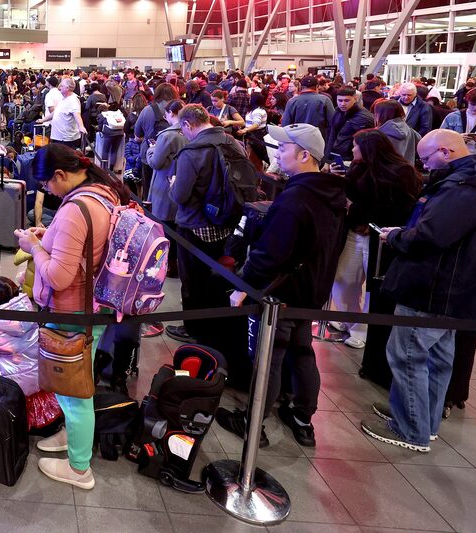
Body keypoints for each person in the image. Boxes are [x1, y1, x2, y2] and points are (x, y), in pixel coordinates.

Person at [219, 123, 348, 448]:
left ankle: (253, 422)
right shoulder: (330, 192)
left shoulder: (296, 199)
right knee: (302, 352)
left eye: (285, 148)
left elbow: (270, 254)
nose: (278, 153)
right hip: (312, 289)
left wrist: (243, 286)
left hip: (283, 292)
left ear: (304, 155)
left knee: (270, 358)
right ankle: (303, 418)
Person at [361, 129, 476, 452]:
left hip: (433, 287)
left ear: (446, 152)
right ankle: (424, 422)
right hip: (457, 289)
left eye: (426, 158)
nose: (424, 165)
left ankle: (411, 429)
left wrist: (397, 237)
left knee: (408, 354)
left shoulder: (464, 186)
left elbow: (432, 235)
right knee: (437, 358)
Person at [14, 143, 129, 490]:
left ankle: (80, 468)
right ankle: (73, 435)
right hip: (91, 306)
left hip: (71, 310)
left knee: (75, 391)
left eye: (47, 184)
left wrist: (34, 247)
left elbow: (59, 276)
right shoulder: (103, 193)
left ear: (61, 175)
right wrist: (49, 237)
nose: (48, 191)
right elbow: (84, 247)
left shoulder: (75, 209)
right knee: (72, 385)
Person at [329, 129, 420, 349]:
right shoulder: (357, 168)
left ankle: (363, 329)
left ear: (368, 148)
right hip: (354, 232)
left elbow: (400, 209)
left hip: (381, 239)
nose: (352, 149)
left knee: (375, 286)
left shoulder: (402, 172)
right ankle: (350, 320)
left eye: (355, 145)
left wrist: (357, 209)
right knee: (342, 278)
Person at [165, 105, 241, 344]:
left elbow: (180, 195)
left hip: (195, 225)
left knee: (192, 282)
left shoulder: (192, 152)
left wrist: (173, 184)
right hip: (228, 222)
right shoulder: (232, 143)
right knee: (216, 278)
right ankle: (214, 325)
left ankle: (194, 329)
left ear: (187, 124)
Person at [145, 98, 186, 278]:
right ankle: (176, 265)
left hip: (163, 184)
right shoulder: (189, 132)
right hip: (182, 184)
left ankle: (167, 265)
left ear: (171, 113)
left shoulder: (167, 135)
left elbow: (156, 162)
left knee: (164, 227)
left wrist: (151, 149)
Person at [134, 82, 180, 199]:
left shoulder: (147, 110)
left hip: (149, 156)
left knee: (148, 189)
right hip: (172, 158)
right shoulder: (179, 109)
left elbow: (138, 134)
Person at [326, 86, 375, 163]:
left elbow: (366, 145)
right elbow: (332, 136)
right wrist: (327, 160)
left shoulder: (364, 117)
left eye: (346, 100)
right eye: (340, 100)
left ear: (355, 99)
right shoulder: (338, 111)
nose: (342, 104)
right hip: (337, 157)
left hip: (351, 160)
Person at [281, 75, 336, 142]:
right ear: (317, 86)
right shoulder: (324, 100)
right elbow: (333, 122)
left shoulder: (292, 101)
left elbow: (285, 124)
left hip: (297, 141)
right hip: (319, 140)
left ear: (301, 87)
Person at [38, 77, 86, 149]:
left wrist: (81, 126)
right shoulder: (63, 98)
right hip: (59, 137)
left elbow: (77, 114)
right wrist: (43, 120)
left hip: (66, 139)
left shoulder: (73, 100)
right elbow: (55, 112)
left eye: (62, 86)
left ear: (67, 88)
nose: (59, 87)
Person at [440, 88, 476, 155]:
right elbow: (440, 137)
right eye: (472, 104)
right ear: (467, 102)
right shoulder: (453, 117)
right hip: (455, 155)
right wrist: (457, 138)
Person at [374, 98, 421, 165]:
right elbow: (420, 140)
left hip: (387, 170)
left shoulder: (380, 134)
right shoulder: (408, 129)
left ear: (380, 114)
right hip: (407, 169)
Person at [237, 92, 270, 166]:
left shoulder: (257, 111)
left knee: (254, 158)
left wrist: (245, 130)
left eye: (250, 98)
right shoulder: (258, 110)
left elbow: (256, 124)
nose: (249, 99)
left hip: (255, 136)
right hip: (257, 135)